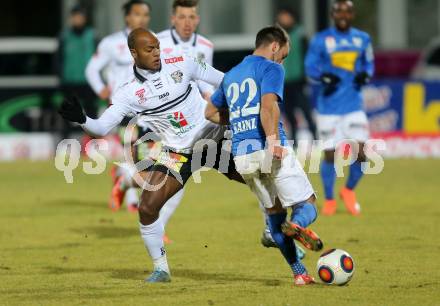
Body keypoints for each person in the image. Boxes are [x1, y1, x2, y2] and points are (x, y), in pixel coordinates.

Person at [59, 28, 243, 283]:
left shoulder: (181, 61)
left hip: (213, 137)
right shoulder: (127, 92)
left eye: (157, 46)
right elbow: (101, 127)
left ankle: (278, 230)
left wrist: (229, 109)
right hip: (179, 152)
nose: (157, 52)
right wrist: (82, 119)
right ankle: (161, 269)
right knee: (147, 208)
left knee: (256, 177)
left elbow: (225, 81)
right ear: (134, 53)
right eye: (149, 49)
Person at [205, 25, 323, 286]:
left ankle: (299, 273)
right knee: (307, 204)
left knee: (274, 215)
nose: (282, 60)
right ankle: (299, 225)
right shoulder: (271, 68)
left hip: (242, 157)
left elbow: (210, 112)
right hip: (268, 148)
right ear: (274, 46)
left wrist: (237, 120)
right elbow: (268, 108)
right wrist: (272, 141)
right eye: (283, 54)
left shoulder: (231, 75)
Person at [305, 0, 374, 216]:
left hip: (354, 105)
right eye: (338, 12)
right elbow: (310, 66)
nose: (342, 15)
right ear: (333, 15)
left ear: (352, 14)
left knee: (362, 154)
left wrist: (366, 74)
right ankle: (329, 199)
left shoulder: (363, 39)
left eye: (347, 11)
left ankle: (349, 191)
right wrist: (321, 76)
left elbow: (369, 63)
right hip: (328, 108)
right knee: (329, 155)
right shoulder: (321, 40)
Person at [85, 0, 152, 212]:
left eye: (145, 14)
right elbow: (91, 69)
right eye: (138, 14)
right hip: (123, 105)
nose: (142, 18)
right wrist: (100, 89)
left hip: (149, 106)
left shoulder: (155, 42)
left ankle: (122, 177)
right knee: (131, 149)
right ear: (127, 17)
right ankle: (133, 198)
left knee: (149, 154)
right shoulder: (111, 43)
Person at [276, 8, 317, 145]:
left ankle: (316, 138)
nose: (284, 19)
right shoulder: (276, 36)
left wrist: (306, 75)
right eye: (282, 17)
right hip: (284, 82)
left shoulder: (300, 34)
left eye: (287, 16)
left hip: (299, 80)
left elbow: (309, 56)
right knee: (288, 112)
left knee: (305, 110)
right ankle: (294, 142)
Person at [56, 5, 96, 139]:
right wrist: (60, 77)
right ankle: (64, 142)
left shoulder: (92, 35)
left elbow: (100, 58)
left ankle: (92, 143)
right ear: (71, 18)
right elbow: (57, 58)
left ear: (85, 19)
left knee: (91, 113)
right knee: (67, 113)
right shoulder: (64, 36)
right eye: (75, 17)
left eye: (81, 17)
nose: (78, 20)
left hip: (88, 81)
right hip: (69, 81)